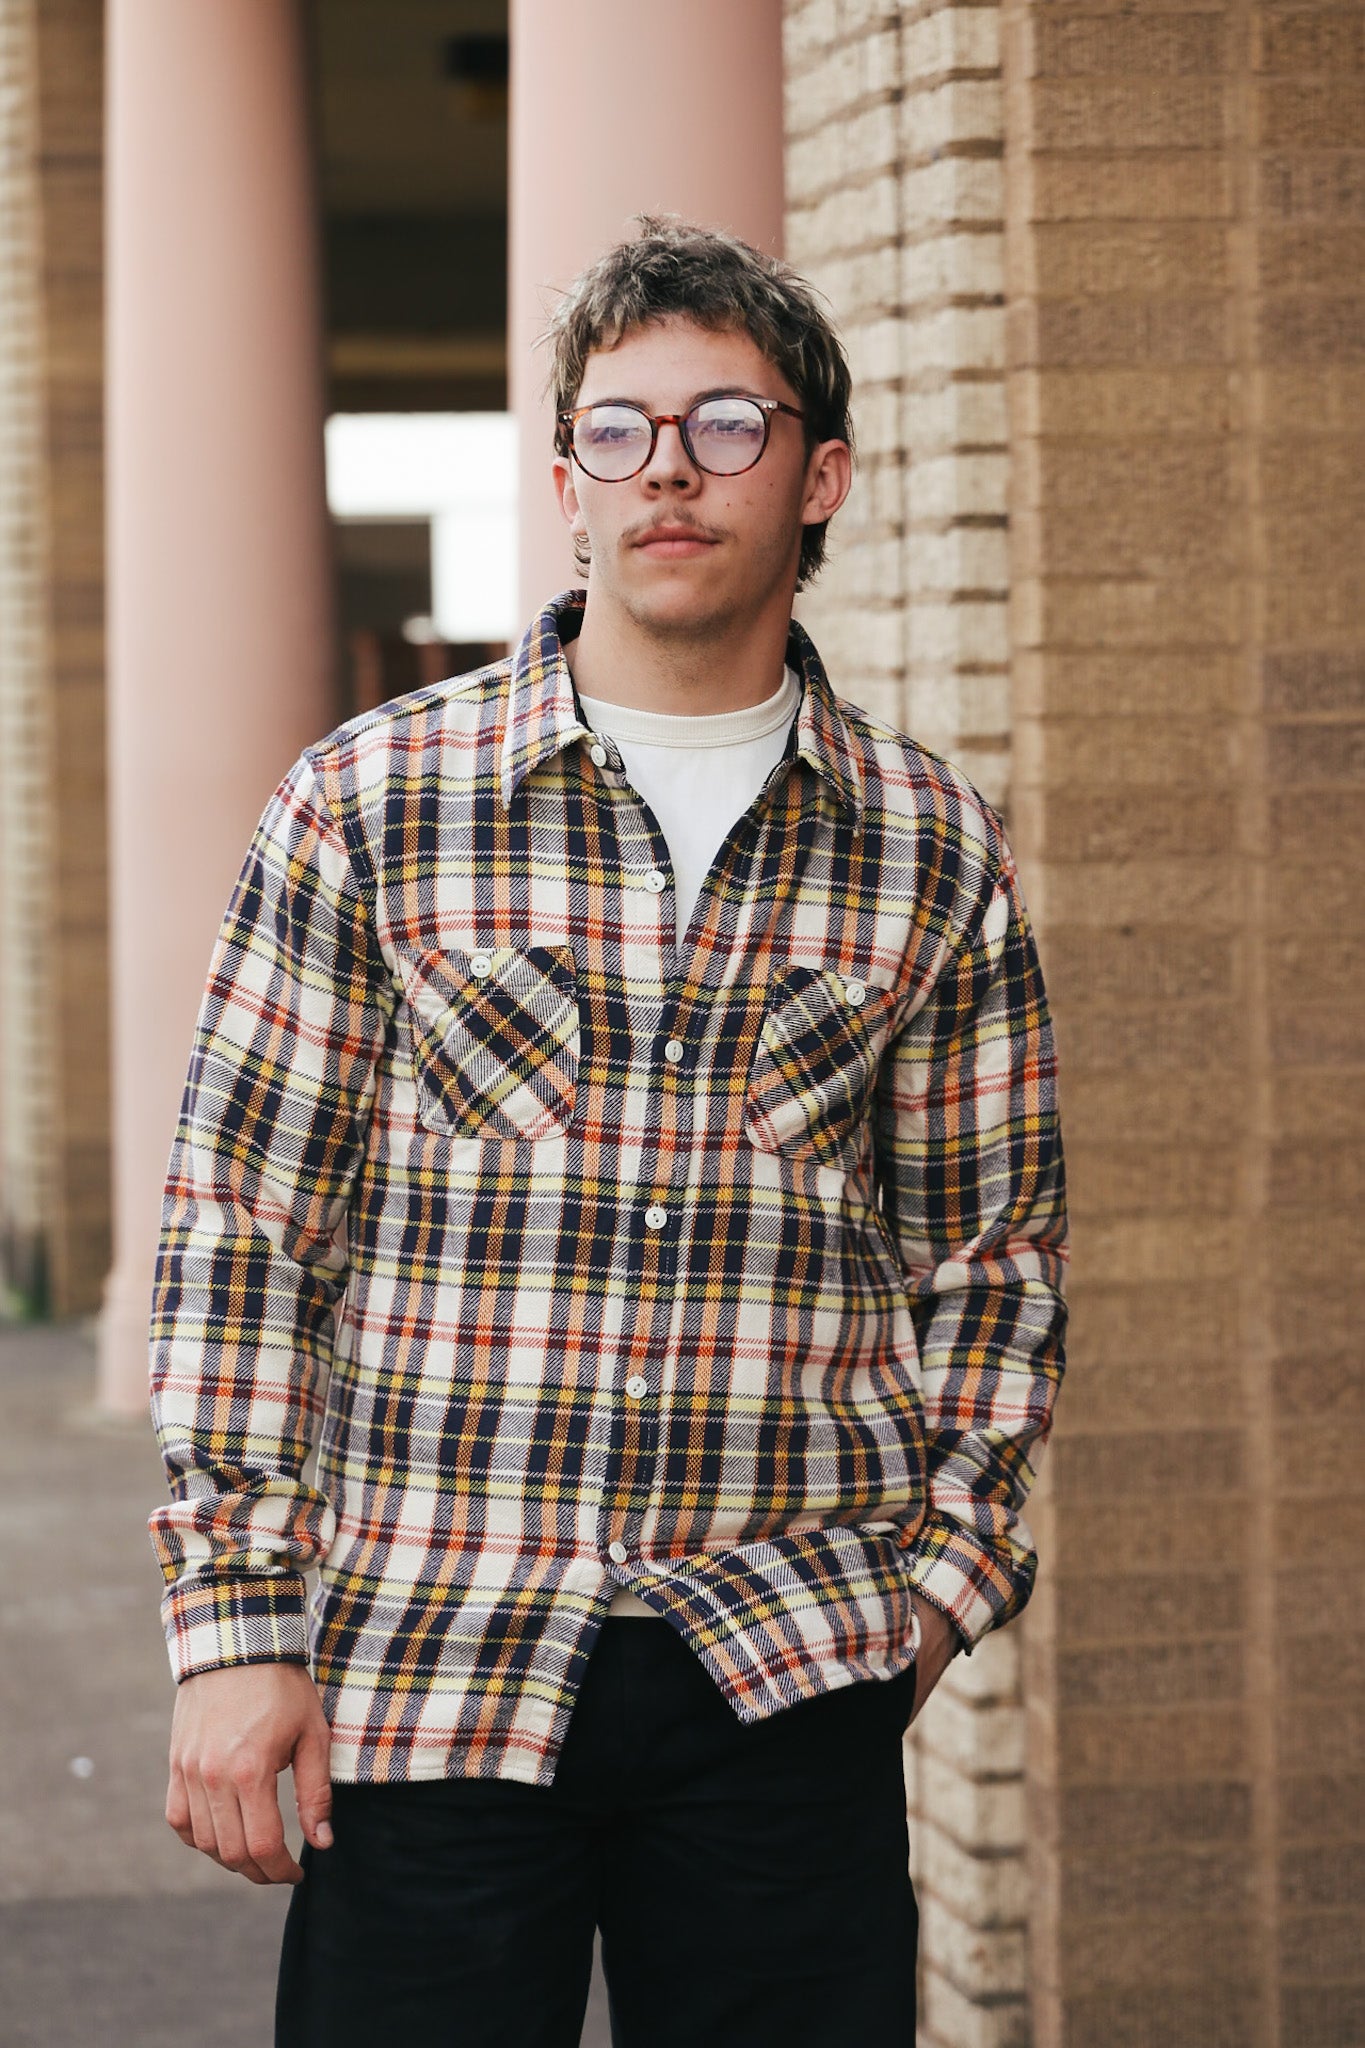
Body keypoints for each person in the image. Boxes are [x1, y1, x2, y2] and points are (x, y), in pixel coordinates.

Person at [148, 215, 1067, 2048]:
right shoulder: (369, 807)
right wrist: (238, 1622)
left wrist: (936, 1601)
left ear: (823, 476)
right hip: (433, 1661)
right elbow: (244, 1230)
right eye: (621, 428)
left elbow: (994, 1265)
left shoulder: (928, 847)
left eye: (728, 427)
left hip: (787, 1671)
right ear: (564, 472)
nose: (670, 470)